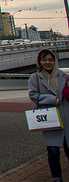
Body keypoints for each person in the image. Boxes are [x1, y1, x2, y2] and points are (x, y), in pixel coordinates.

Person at [29, 49, 69, 181]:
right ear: (39, 61)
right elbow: (33, 95)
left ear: (55, 61)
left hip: (66, 116)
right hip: (50, 117)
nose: (47, 62)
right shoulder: (35, 77)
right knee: (53, 151)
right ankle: (57, 178)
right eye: (44, 60)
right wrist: (53, 99)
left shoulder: (63, 75)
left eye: (50, 60)